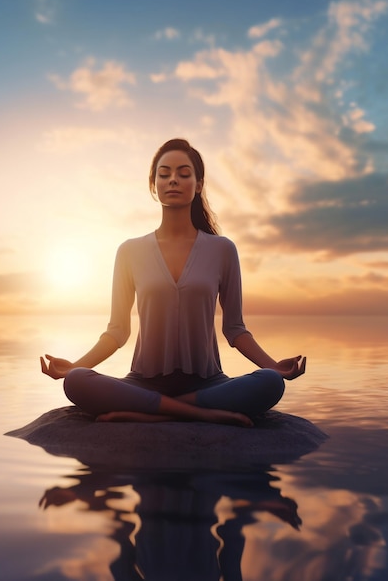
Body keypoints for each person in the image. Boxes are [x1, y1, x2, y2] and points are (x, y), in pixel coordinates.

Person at [40, 138, 306, 427]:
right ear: (153, 185)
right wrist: (76, 366)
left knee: (270, 383)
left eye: (183, 173)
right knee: (77, 381)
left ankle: (149, 412)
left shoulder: (223, 250)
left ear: (199, 183)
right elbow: (117, 331)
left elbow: (234, 329)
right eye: (164, 174)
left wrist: (273, 366)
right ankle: (201, 414)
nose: (173, 180)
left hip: (208, 384)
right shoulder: (129, 251)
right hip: (143, 383)